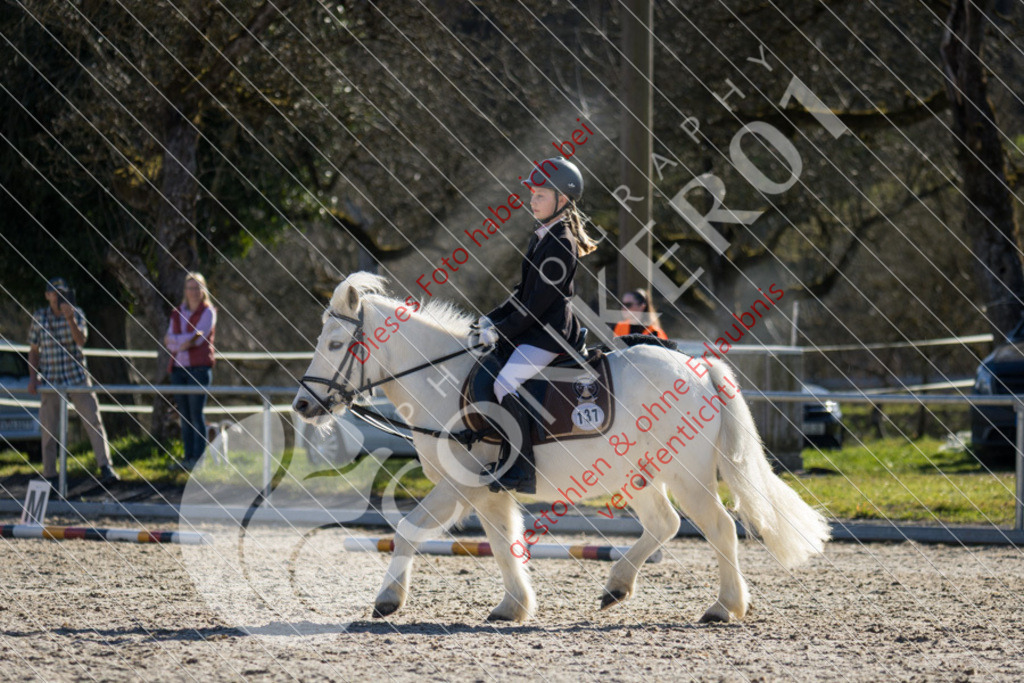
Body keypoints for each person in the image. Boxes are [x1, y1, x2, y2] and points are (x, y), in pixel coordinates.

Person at [476, 157, 598, 494]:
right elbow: (522, 292)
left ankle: (521, 466)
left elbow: (536, 305)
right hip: (535, 330)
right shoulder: (542, 235)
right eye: (532, 194)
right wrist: (492, 317)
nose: (533, 201)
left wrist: (501, 331)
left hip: (551, 335)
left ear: (562, 200)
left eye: (541, 195)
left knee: (505, 384)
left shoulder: (561, 241)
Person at [27, 277, 120, 488]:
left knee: (92, 420)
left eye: (61, 292)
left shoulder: (76, 313)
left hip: (76, 377)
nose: (57, 296)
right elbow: (33, 351)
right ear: (47, 295)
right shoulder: (39, 317)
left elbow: (81, 341)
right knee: (48, 428)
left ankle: (105, 466)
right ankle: (50, 475)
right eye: (53, 292)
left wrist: (70, 319)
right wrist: (33, 377)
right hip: (51, 378)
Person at [165, 272, 216, 470]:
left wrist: (180, 341)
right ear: (185, 291)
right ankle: (187, 459)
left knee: (196, 415)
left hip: (199, 369)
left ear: (203, 291)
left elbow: (197, 340)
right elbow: (169, 341)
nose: (194, 292)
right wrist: (183, 341)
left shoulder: (208, 312)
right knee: (184, 416)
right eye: (190, 288)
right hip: (178, 369)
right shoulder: (176, 312)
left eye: (197, 288)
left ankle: (198, 460)